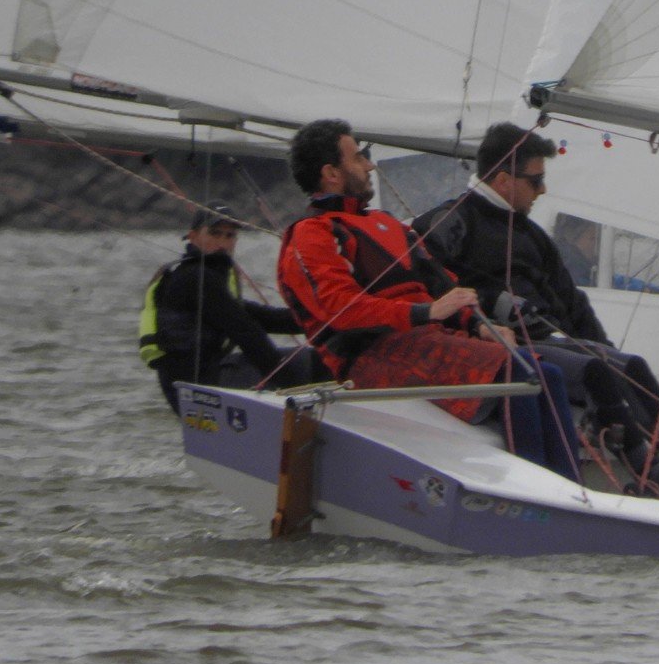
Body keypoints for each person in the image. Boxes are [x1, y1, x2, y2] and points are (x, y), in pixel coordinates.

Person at [413, 122, 659, 501]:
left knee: (628, 365)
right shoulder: (451, 221)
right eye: (535, 181)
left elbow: (572, 303)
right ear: (504, 180)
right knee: (595, 371)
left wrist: (604, 347)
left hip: (548, 339)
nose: (543, 190)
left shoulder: (532, 236)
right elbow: (428, 281)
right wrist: (490, 304)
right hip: (497, 344)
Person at [276, 118, 580, 482]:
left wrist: (479, 324)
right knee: (519, 373)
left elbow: (441, 283)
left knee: (546, 374)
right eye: (358, 158)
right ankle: (538, 492)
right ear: (331, 173)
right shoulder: (313, 234)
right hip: (371, 357)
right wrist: (425, 312)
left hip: (423, 342)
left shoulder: (388, 225)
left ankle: (569, 486)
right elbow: (338, 311)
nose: (370, 165)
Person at [139, 202, 325, 414]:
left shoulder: (206, 277)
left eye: (229, 236)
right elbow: (246, 332)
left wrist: (324, 320)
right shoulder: (195, 278)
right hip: (198, 387)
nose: (223, 243)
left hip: (195, 383)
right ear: (193, 236)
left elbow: (264, 318)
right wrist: (291, 386)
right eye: (215, 234)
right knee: (316, 362)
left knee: (305, 361)